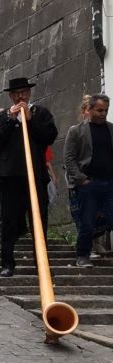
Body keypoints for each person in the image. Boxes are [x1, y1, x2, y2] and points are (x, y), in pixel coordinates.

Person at [0, 77, 58, 278]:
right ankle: (7, 263)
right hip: (11, 176)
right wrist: (12, 121)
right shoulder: (4, 116)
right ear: (11, 96)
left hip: (36, 174)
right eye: (16, 93)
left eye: (24, 92)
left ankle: (41, 262)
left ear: (29, 94)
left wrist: (30, 120)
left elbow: (50, 137)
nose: (21, 96)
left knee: (39, 219)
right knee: (9, 220)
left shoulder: (40, 113)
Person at [64, 94, 113, 268]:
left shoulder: (111, 129)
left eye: (105, 110)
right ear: (89, 109)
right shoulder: (76, 131)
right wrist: (81, 180)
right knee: (87, 222)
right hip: (88, 184)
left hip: (109, 182)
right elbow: (69, 159)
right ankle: (82, 256)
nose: (103, 114)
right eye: (99, 110)